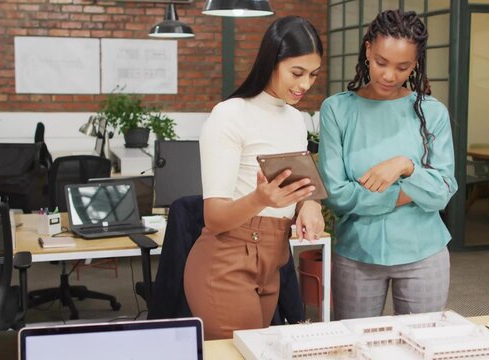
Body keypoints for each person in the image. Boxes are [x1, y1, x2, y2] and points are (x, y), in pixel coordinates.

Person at [184, 16, 325, 340]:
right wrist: (260, 199)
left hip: (274, 259)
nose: (305, 85)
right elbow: (215, 218)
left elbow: (298, 183)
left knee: (260, 350)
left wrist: (309, 204)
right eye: (297, 73)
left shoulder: (295, 118)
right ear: (271, 61)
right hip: (226, 263)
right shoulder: (230, 115)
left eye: (313, 75)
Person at [318, 9, 457, 320]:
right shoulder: (337, 110)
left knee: (422, 346)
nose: (389, 75)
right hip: (357, 254)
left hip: (425, 254)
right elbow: (336, 194)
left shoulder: (432, 112)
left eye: (403, 67)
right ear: (368, 49)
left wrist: (405, 166)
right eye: (381, 62)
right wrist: (406, 195)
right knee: (352, 347)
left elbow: (444, 191)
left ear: (415, 64)